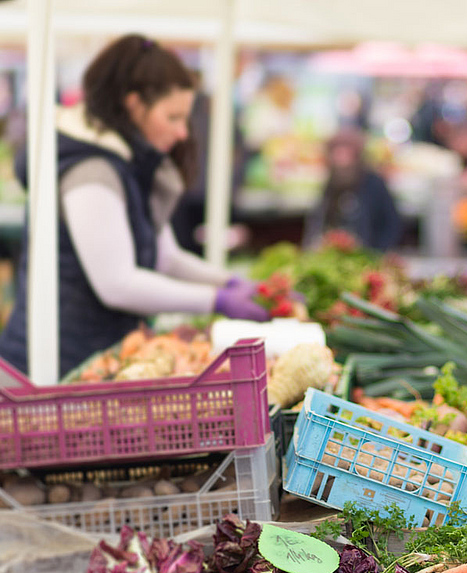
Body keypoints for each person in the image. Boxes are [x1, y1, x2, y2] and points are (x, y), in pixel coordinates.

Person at [0, 34, 268, 376]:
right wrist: (215, 300)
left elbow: (165, 255)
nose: (183, 132)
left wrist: (229, 283)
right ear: (134, 105)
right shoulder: (91, 172)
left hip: (95, 359)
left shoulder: (125, 162)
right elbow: (117, 284)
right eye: (173, 117)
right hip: (52, 371)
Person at [303, 127, 403, 252]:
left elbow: (391, 224)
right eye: (337, 153)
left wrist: (378, 253)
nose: (342, 160)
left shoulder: (374, 183)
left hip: (368, 253)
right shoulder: (331, 183)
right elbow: (318, 222)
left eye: (346, 153)